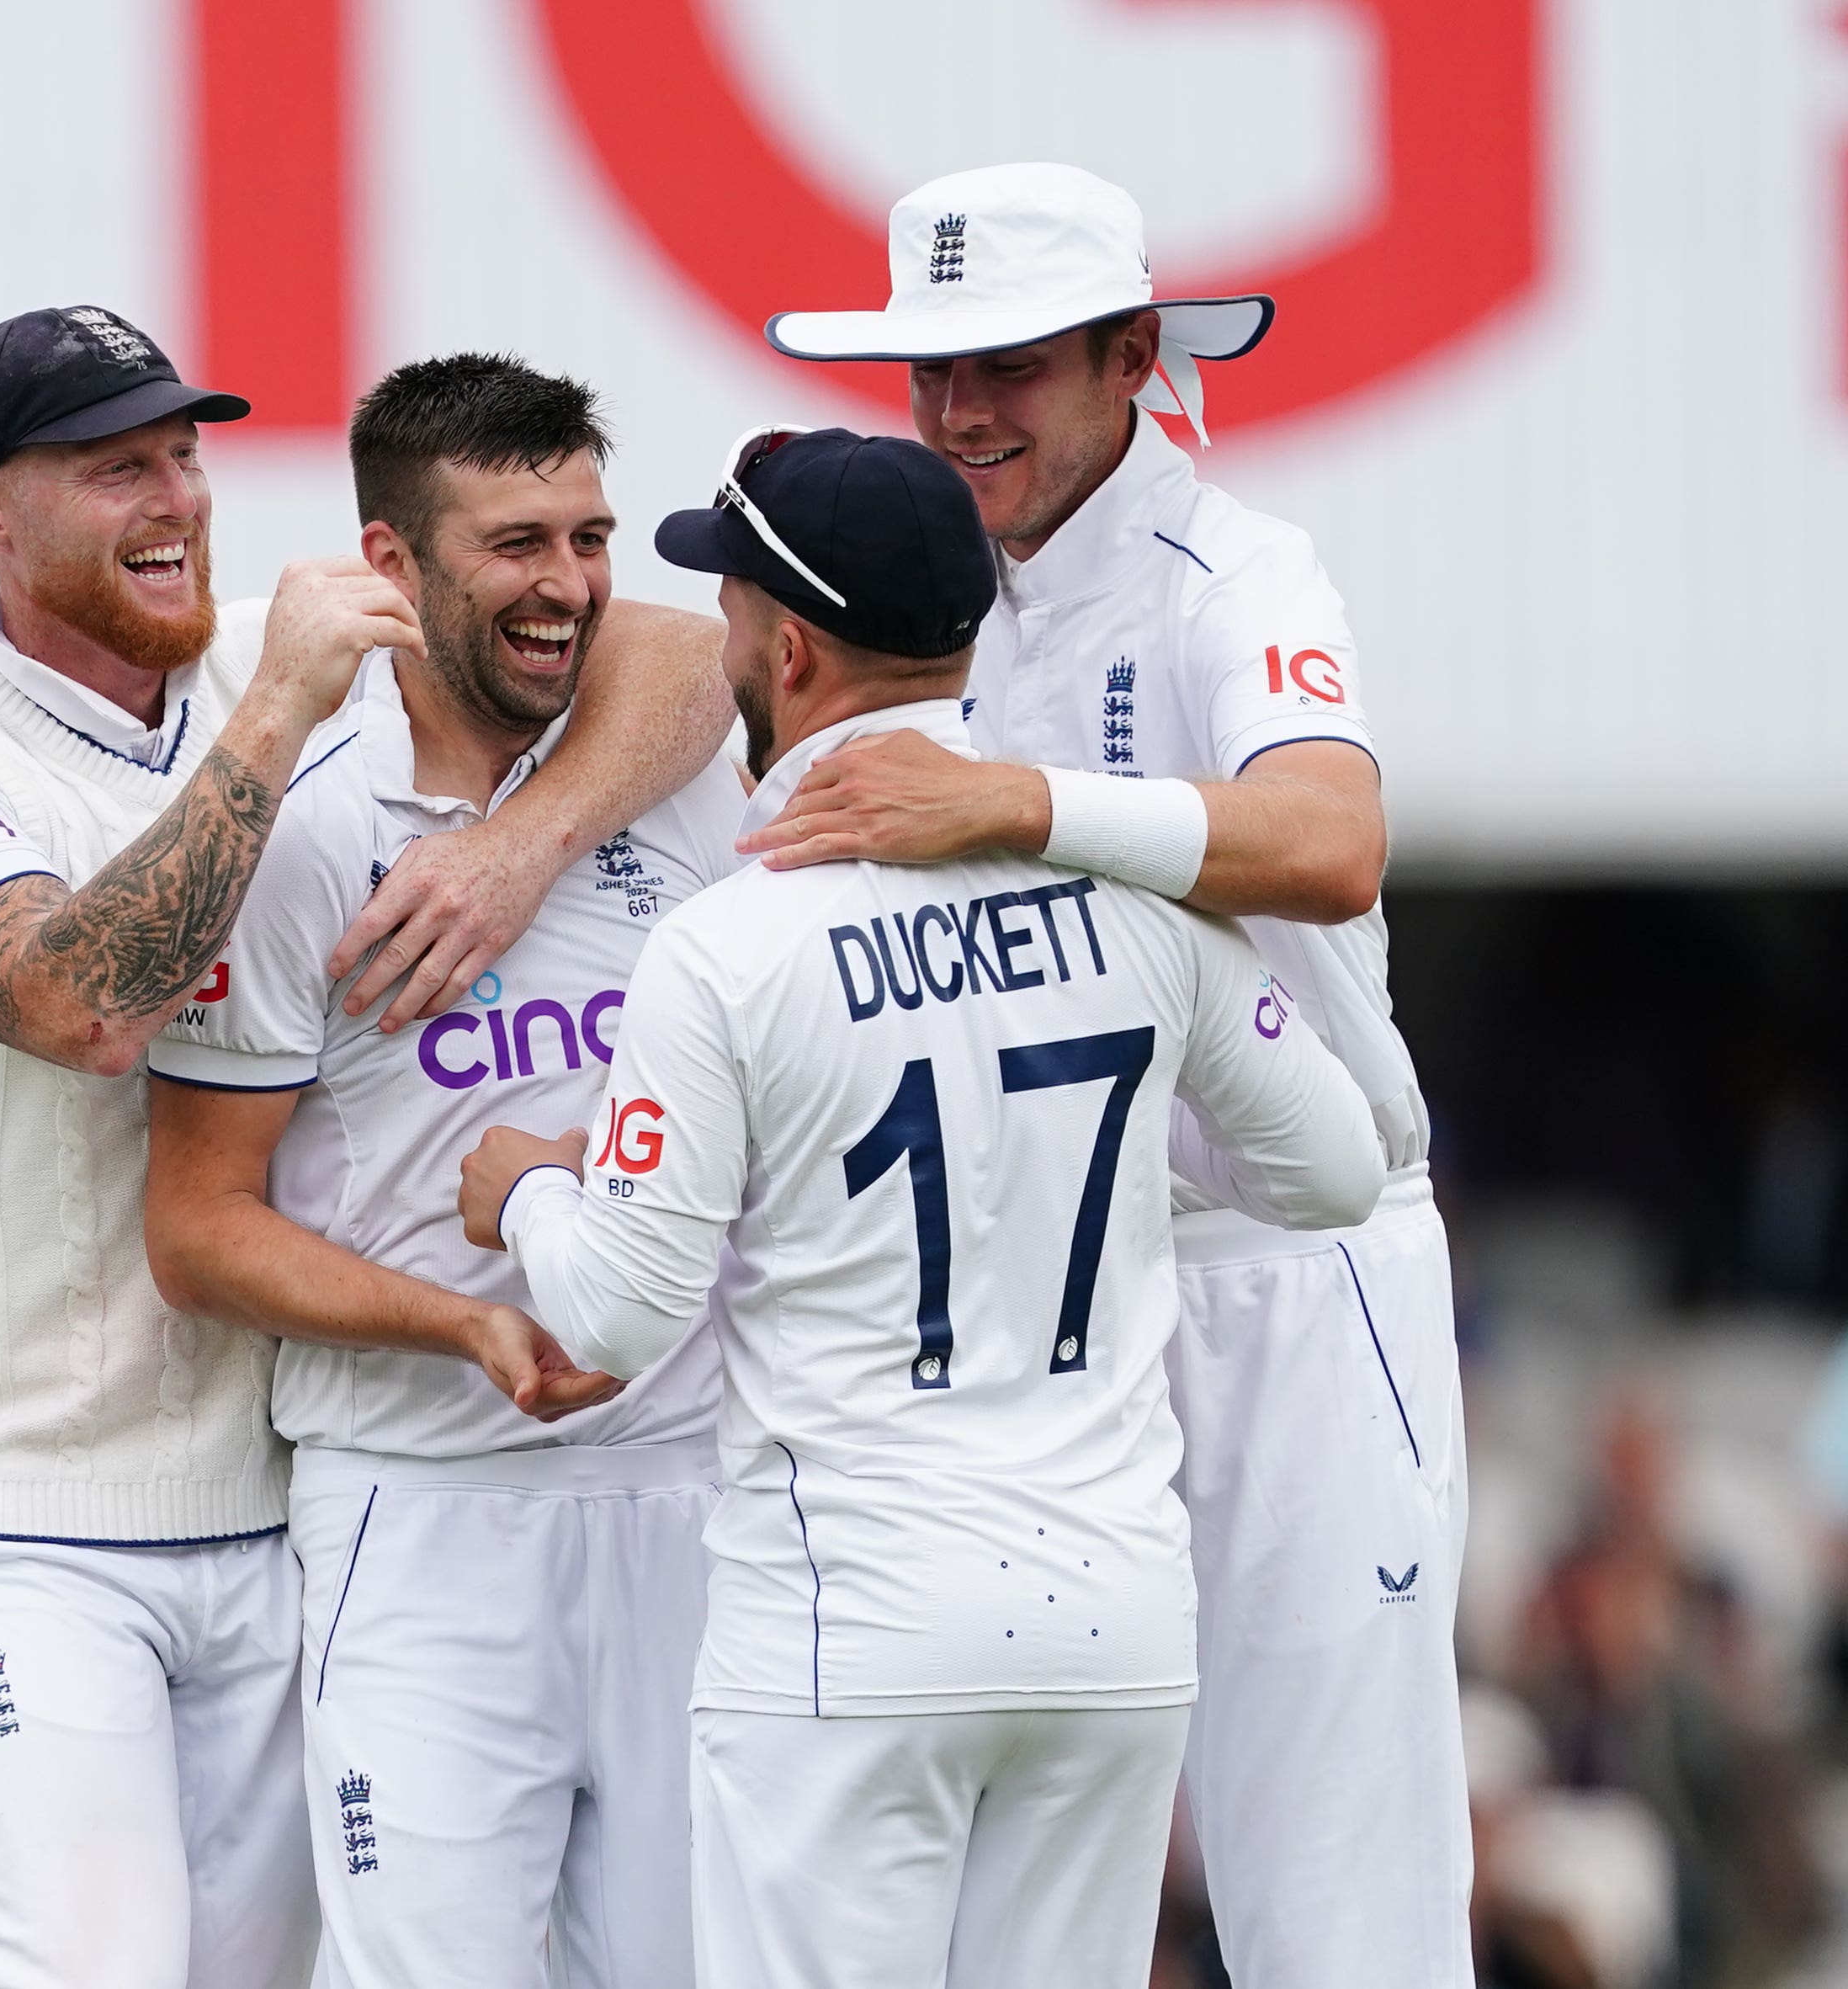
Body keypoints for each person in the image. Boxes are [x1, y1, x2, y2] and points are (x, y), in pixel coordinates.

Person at [0, 307, 729, 1989]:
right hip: (33, 1503)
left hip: (275, 1489)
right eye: (111, 470)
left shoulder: (265, 653)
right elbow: (83, 1003)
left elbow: (678, 654)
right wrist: (274, 716)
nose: (172, 500)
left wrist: (518, 847)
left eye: (184, 453)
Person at [456, 425, 1385, 1988]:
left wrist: (533, 1189)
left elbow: (618, 1308)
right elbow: (1335, 1169)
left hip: (851, 1628)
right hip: (1111, 1624)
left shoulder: (731, 941)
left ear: (794, 649)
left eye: (737, 611)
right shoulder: (1133, 897)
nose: (722, 642)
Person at [750, 162, 1474, 1985]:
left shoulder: (1235, 568)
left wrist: (1012, 803)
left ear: (1129, 357)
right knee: (1036, 1891)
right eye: (928, 372)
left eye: (1003, 364)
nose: (954, 411)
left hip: (1297, 1274)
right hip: (1071, 1309)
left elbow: (1329, 842)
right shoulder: (929, 581)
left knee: (1331, 1891)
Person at [137, 354, 741, 1987]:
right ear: (389, 569)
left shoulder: (666, 763)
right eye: (515, 546)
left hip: (695, 1488)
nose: (567, 587)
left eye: (587, 536)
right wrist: (459, 1324)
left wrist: (513, 844)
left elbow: (692, 644)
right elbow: (197, 1229)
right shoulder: (300, 831)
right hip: (421, 1512)